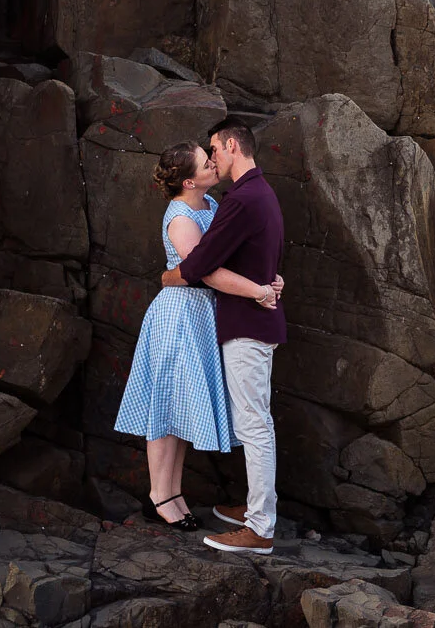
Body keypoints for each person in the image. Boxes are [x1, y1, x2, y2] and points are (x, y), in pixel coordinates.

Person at [113, 143, 281, 532]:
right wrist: (257, 291)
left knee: (180, 408)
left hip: (204, 315)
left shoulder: (214, 206)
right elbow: (199, 271)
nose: (214, 162)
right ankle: (162, 495)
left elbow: (225, 259)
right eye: (207, 163)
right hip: (179, 315)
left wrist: (266, 279)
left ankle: (172, 491)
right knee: (166, 407)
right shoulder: (181, 216)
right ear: (189, 180)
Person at [164, 116, 286, 555]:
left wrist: (169, 276)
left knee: (254, 427)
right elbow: (264, 259)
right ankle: (256, 508)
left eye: (214, 148)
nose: (212, 157)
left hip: (247, 326)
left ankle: (260, 528)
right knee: (257, 423)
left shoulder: (241, 200)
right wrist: (270, 284)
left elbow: (200, 266)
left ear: (233, 145)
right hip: (259, 322)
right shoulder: (263, 194)